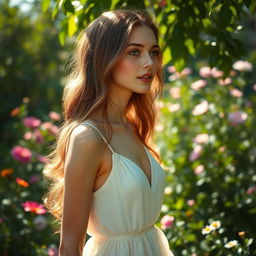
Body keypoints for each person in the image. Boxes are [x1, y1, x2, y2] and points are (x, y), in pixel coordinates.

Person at [42, 8, 174, 256]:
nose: (149, 63)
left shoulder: (133, 126)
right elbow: (70, 245)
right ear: (105, 58)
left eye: (153, 52)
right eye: (134, 52)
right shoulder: (88, 137)